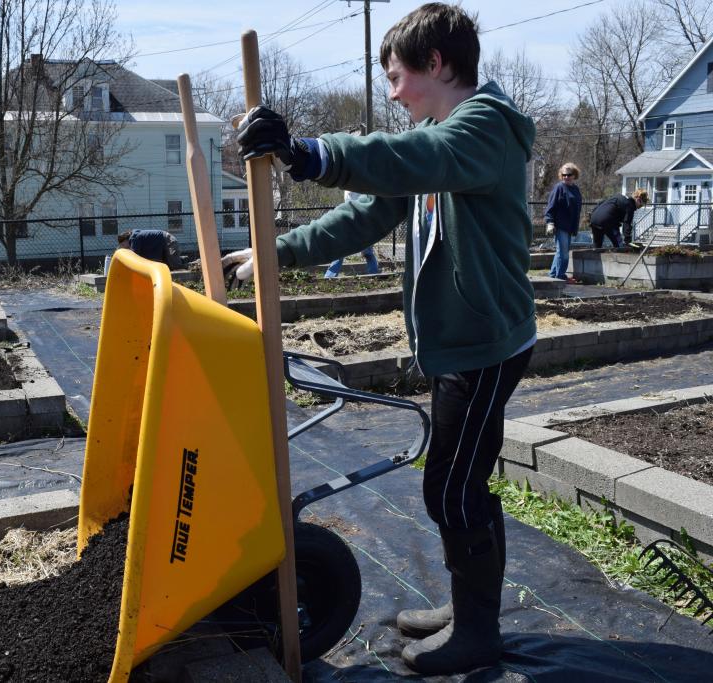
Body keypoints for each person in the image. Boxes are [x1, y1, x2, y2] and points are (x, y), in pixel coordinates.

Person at [222, 3, 535, 675]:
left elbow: (411, 156)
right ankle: (467, 606)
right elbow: (365, 214)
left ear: (437, 65)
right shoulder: (436, 134)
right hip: (459, 343)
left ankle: (478, 630)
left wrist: (308, 154)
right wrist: (273, 254)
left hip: (487, 344)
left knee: (453, 490)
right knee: (458, 484)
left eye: (397, 76)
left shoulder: (480, 129)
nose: (392, 93)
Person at [544, 163, 583, 282]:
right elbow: (551, 206)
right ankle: (560, 277)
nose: (566, 177)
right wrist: (550, 222)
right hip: (560, 225)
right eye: (564, 175)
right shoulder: (559, 188)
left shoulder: (575, 189)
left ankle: (553, 274)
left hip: (570, 226)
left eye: (569, 174)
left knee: (560, 252)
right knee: (563, 253)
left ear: (574, 175)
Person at [116, 229, 186, 269]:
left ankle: (192, 265)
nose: (124, 247)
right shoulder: (134, 238)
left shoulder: (134, 238)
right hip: (164, 244)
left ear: (125, 240)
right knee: (169, 266)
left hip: (168, 241)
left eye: (122, 244)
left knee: (176, 266)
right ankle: (183, 259)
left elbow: (135, 257)